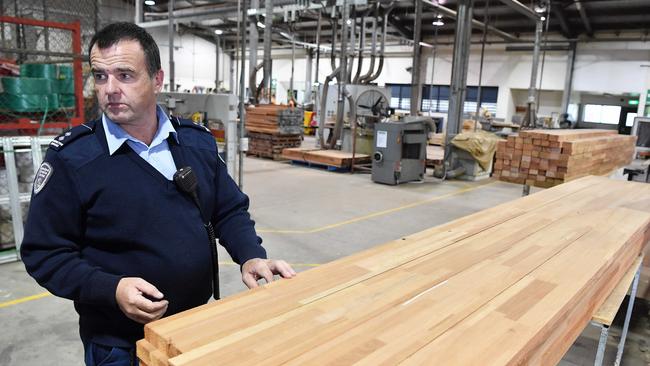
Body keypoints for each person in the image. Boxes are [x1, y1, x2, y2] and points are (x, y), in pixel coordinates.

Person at [20, 22, 296, 366]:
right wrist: (111, 289)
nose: (110, 89)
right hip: (120, 344)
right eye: (101, 76)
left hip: (195, 325)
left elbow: (227, 210)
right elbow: (44, 253)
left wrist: (251, 255)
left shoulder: (195, 142)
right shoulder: (73, 159)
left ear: (158, 79)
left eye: (125, 75)